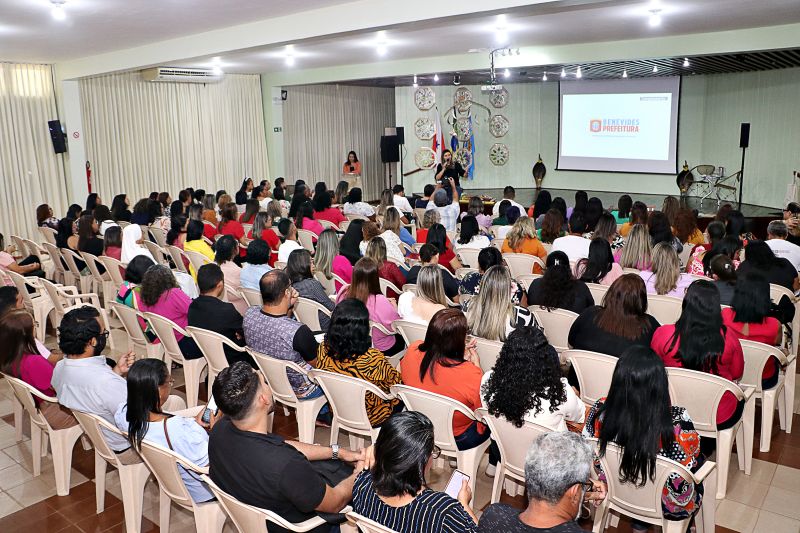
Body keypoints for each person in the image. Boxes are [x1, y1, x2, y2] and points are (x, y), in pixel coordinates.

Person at [209, 362, 366, 533]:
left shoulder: (219, 431)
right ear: (264, 399)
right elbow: (335, 503)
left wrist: (338, 452)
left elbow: (281, 447)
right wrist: (359, 474)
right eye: (265, 383)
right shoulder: (286, 466)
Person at [583, 346, 703, 524]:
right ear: (660, 384)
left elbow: (587, 448)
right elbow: (688, 464)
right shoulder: (677, 422)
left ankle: (638, 524)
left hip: (616, 487)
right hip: (668, 505)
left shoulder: (600, 411)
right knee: (701, 463)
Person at [400, 308, 499, 471]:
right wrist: (476, 366)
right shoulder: (471, 374)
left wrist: (458, 355)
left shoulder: (412, 350)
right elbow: (482, 412)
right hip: (459, 436)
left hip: (419, 423)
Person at [353, 411, 478, 533]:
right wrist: (464, 504)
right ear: (422, 461)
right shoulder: (442, 512)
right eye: (431, 451)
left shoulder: (362, 484)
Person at [116, 359, 216, 502]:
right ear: (158, 390)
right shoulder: (176, 430)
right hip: (204, 492)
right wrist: (217, 430)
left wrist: (192, 423)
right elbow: (210, 466)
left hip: (175, 484)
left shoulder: (123, 414)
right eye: (169, 382)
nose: (170, 385)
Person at [650, 280, 744, 430]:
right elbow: (737, 373)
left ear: (686, 304)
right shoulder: (729, 338)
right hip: (719, 414)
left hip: (672, 408)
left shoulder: (663, 334)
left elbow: (654, 369)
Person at [51, 307, 141, 462]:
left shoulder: (59, 369)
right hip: (127, 448)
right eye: (103, 334)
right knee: (175, 404)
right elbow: (137, 418)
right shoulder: (106, 383)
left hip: (100, 441)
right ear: (92, 341)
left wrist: (117, 371)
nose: (104, 337)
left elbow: (94, 394)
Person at [316, 299, 403, 426]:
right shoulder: (372, 359)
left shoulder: (323, 349)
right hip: (373, 415)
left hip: (339, 410)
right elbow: (395, 385)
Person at [482, 326, 585, 431]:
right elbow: (580, 417)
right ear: (545, 356)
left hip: (504, 445)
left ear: (506, 353)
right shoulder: (560, 392)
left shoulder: (488, 380)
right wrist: (575, 396)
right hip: (547, 446)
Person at [243, 270, 323, 400]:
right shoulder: (298, 331)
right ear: (287, 292)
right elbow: (319, 365)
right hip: (302, 389)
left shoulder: (249, 314)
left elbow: (280, 322)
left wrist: (289, 306)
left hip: (269, 380)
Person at [0, 310, 77, 429]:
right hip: (57, 411)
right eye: (34, 325)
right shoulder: (34, 362)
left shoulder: (11, 359)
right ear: (26, 333)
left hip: (42, 409)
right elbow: (60, 388)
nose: (35, 328)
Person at [568, 274, 660, 358]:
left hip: (582, 374)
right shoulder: (650, 326)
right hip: (623, 376)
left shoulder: (590, 313)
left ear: (611, 293)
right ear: (641, 300)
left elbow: (571, 344)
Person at [722, 272, 781, 388]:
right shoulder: (775, 325)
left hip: (729, 377)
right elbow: (776, 344)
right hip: (763, 379)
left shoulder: (724, 315)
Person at [337, 258, 405, 357]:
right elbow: (396, 327)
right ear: (375, 278)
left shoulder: (344, 291)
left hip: (350, 344)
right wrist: (394, 308)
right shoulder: (379, 301)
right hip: (380, 349)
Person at [188, 264, 254, 367]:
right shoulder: (226, 310)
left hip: (209, 354)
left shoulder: (192, 306)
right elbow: (246, 332)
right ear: (220, 285)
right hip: (233, 359)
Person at [137, 265, 204, 360]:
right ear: (169, 279)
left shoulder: (143, 299)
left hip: (167, 343)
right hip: (186, 344)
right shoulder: (173, 293)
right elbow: (195, 311)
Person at [466, 266, 536, 342]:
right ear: (508, 288)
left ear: (482, 285)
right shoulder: (522, 316)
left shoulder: (468, 306)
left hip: (477, 352)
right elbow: (537, 342)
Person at [528, 251, 594, 314]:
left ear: (547, 269)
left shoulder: (535, 285)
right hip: (571, 325)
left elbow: (529, 306)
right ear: (568, 269)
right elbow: (590, 310)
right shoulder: (581, 288)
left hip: (540, 325)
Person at [287, 249, 335, 330]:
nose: (313, 265)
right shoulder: (312, 284)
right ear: (303, 265)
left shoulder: (290, 287)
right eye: (310, 262)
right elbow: (331, 307)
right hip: (326, 325)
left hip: (305, 327)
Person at [460, 247, 526, 306]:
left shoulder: (468, 279)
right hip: (503, 319)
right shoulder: (514, 287)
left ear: (479, 266)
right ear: (502, 264)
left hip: (473, 318)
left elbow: (461, 299)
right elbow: (523, 308)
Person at [214, 235, 247, 315]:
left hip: (217, 306)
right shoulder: (239, 272)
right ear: (234, 250)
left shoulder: (212, 267)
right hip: (238, 310)